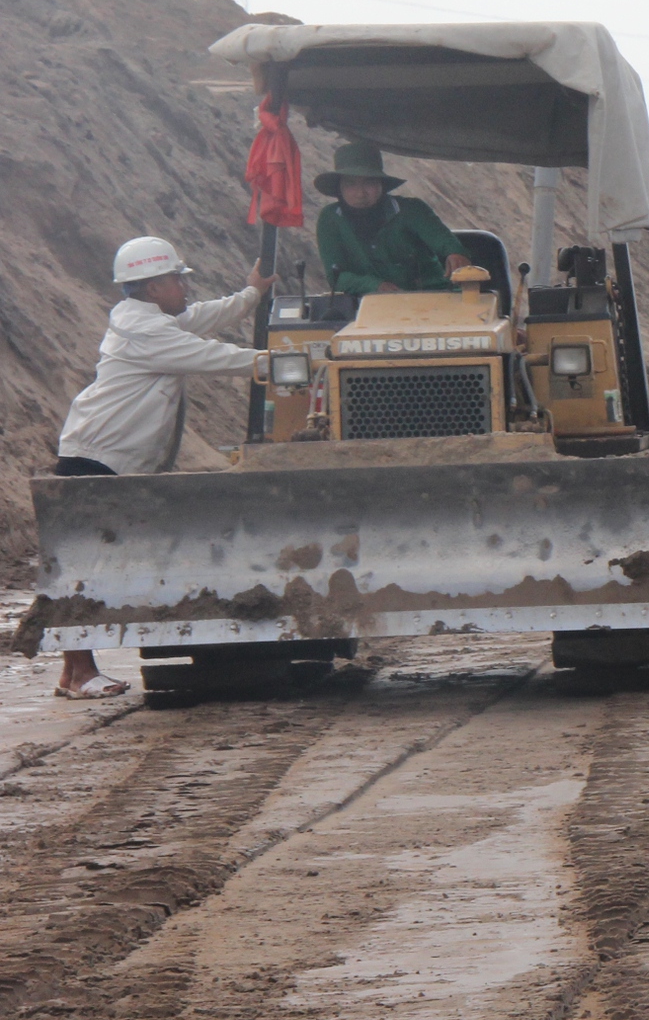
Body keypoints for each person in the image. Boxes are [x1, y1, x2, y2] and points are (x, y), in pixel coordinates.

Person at [48, 236, 273, 698]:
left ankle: (74, 674)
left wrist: (251, 294)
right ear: (152, 288)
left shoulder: (150, 319)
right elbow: (211, 356)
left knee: (88, 560)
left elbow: (203, 317)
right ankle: (80, 674)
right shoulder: (146, 331)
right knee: (85, 564)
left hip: (104, 455)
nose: (184, 286)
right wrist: (283, 363)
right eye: (176, 279)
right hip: (98, 458)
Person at [313, 140, 470, 296]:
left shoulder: (412, 209)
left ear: (382, 184)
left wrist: (455, 253)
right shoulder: (330, 219)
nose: (360, 193)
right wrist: (375, 286)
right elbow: (336, 277)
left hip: (432, 296)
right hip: (368, 304)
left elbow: (444, 240)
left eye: (369, 183)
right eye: (350, 184)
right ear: (339, 188)